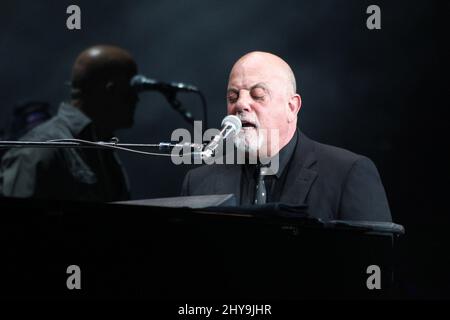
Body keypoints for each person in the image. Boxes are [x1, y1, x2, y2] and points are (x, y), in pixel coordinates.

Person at [181, 51, 392, 222]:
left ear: (292, 107)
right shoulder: (198, 182)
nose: (240, 104)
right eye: (232, 96)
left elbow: (373, 261)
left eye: (258, 95)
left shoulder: (347, 173)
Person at [0, 45, 139, 202]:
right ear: (110, 90)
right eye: (130, 91)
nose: (136, 99)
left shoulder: (100, 145)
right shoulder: (39, 149)